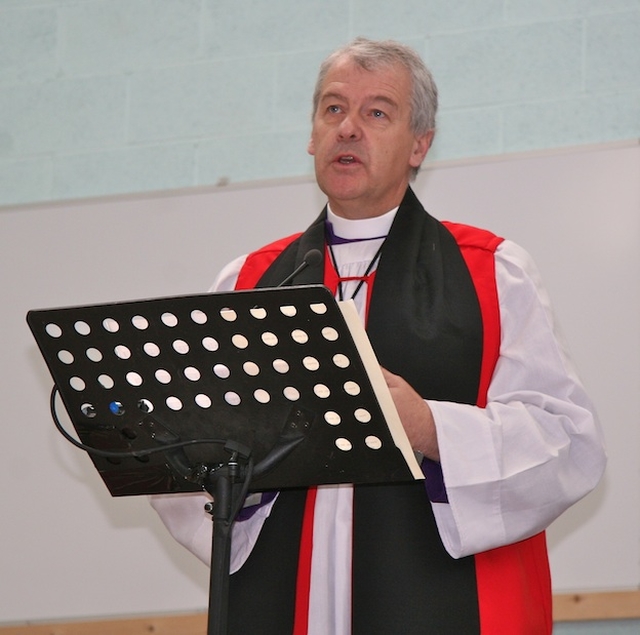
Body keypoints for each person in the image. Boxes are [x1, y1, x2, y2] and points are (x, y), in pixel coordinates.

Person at [151, 37, 606, 634]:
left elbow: (567, 445)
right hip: (286, 603)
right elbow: (183, 466)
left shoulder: (491, 271)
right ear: (312, 136)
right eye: (333, 109)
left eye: (377, 113)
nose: (348, 129)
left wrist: (429, 427)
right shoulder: (248, 283)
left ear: (420, 144)